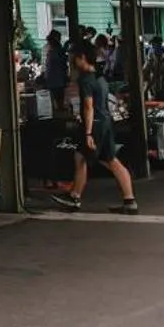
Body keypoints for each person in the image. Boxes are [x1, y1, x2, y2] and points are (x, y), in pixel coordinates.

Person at [51, 44, 137, 214]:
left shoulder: (86, 80)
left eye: (75, 57)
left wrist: (88, 132)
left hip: (94, 124)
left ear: (82, 57)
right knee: (112, 160)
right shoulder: (101, 78)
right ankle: (130, 200)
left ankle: (75, 196)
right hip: (105, 121)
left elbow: (88, 107)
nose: (73, 61)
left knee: (80, 157)